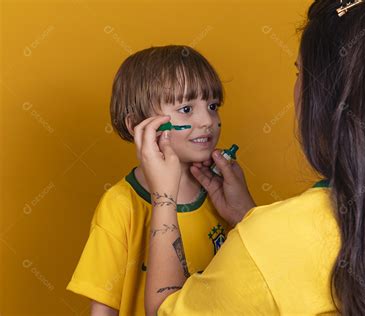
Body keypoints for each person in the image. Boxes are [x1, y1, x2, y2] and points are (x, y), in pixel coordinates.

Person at [137, 0, 365, 315]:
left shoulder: (275, 238)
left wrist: (164, 197)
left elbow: (164, 309)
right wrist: (247, 216)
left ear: (330, 100)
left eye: (301, 74)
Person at [66, 45, 252, 315]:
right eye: (186, 109)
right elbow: (104, 308)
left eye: (212, 106)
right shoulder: (121, 204)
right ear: (137, 125)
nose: (207, 121)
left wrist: (247, 215)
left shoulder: (221, 192)